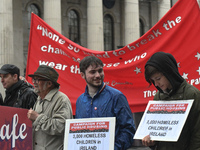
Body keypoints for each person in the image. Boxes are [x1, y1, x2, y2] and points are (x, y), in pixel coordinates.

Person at [142, 52, 200, 150]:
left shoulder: (192, 94)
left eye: (158, 78)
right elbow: (157, 130)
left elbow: (197, 132)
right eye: (153, 80)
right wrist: (151, 141)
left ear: (169, 73)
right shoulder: (158, 97)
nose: (156, 84)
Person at [75, 56, 136, 150]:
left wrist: (113, 148)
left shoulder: (116, 97)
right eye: (92, 72)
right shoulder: (80, 101)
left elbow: (129, 130)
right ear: (82, 75)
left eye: (100, 71)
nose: (98, 75)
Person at [27, 65, 73, 150]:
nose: (34, 82)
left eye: (38, 79)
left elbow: (60, 127)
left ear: (49, 83)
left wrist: (37, 117)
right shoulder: (39, 98)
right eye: (34, 79)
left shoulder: (61, 100)